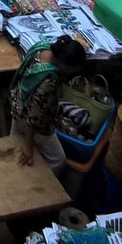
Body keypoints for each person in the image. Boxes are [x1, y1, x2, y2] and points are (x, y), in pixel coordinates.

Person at [9, 33, 87, 173]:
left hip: (17, 104)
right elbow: (33, 117)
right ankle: (37, 179)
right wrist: (28, 146)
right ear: (63, 63)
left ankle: (15, 173)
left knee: (13, 146)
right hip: (30, 121)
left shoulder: (40, 48)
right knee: (57, 159)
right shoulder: (50, 81)